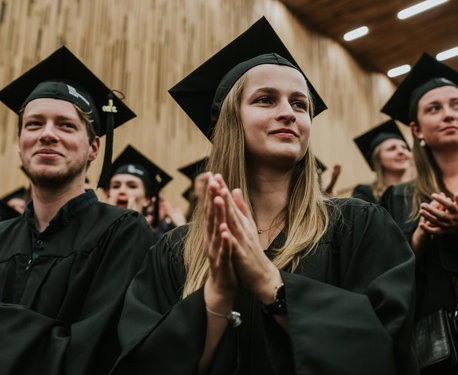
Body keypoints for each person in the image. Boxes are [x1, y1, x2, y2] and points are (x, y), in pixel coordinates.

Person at [111, 17, 417, 375]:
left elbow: (386, 352)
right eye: (266, 100)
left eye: (300, 104)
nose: (288, 113)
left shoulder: (358, 226)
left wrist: (271, 285)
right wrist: (216, 298)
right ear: (230, 121)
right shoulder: (176, 249)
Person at [0, 46, 153, 375]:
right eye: (34, 124)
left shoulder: (123, 232)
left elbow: (97, 351)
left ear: (94, 148)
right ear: (20, 142)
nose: (47, 134)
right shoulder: (1, 237)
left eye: (66, 126)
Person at [381, 53, 458, 374]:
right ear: (416, 129)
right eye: (434, 109)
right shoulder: (400, 197)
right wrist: (420, 239)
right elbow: (382, 275)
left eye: (457, 105)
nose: (448, 114)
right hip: (438, 351)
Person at [99, 144, 182, 235]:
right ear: (108, 193)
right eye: (116, 186)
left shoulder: (157, 242)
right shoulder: (94, 230)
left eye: (132, 186)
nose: (122, 191)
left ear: (147, 199)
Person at [352, 120, 412, 203]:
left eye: (404, 147)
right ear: (378, 159)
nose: (401, 151)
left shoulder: (421, 188)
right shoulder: (365, 194)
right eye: (392, 148)